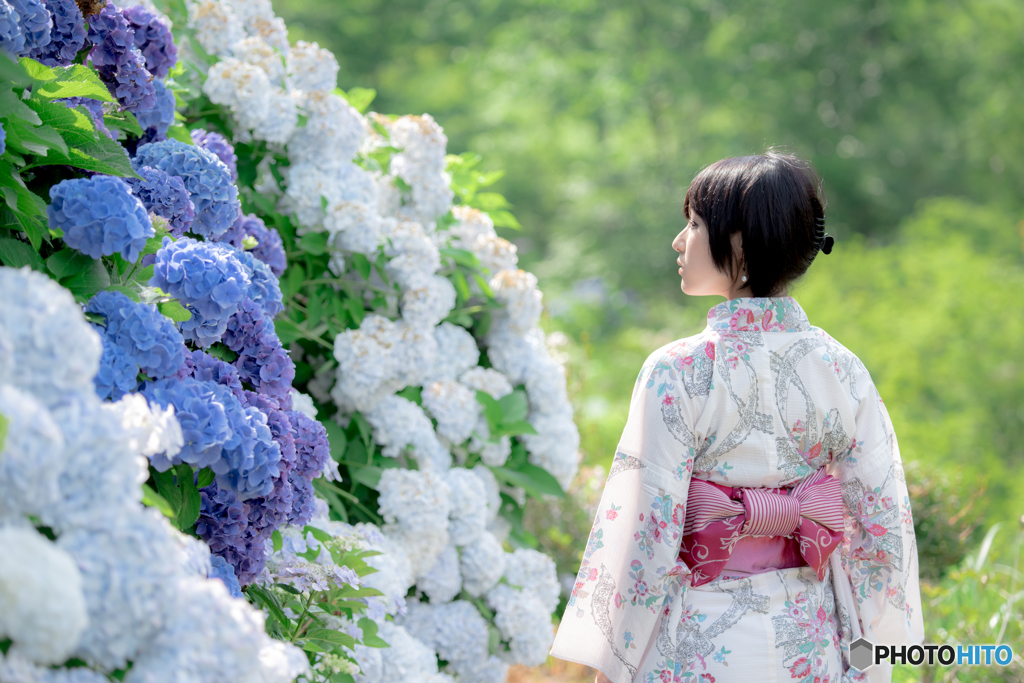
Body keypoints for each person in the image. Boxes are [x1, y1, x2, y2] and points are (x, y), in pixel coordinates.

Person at [549, 150, 924, 683]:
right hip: (811, 639)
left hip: (695, 641)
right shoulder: (842, 369)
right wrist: (876, 649)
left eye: (695, 224)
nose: (679, 241)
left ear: (740, 243)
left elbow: (646, 532)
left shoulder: (677, 370)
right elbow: (880, 524)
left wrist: (614, 658)